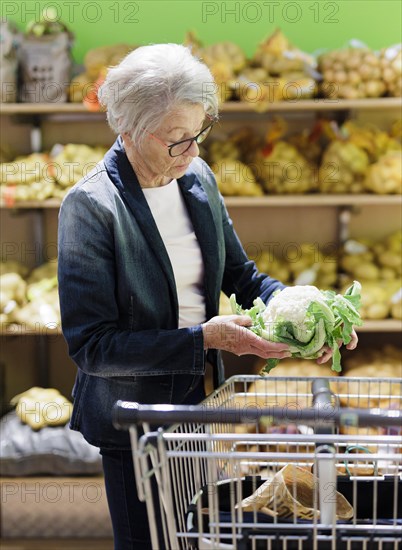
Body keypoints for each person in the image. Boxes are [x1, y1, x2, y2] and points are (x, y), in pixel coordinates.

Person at [57, 43, 358, 550]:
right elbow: (93, 346)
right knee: (149, 541)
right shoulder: (91, 208)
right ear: (127, 129)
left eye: (199, 133)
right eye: (177, 140)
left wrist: (307, 313)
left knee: (193, 538)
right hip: (135, 421)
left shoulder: (196, 179)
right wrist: (204, 339)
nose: (193, 151)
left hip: (199, 404)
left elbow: (243, 277)